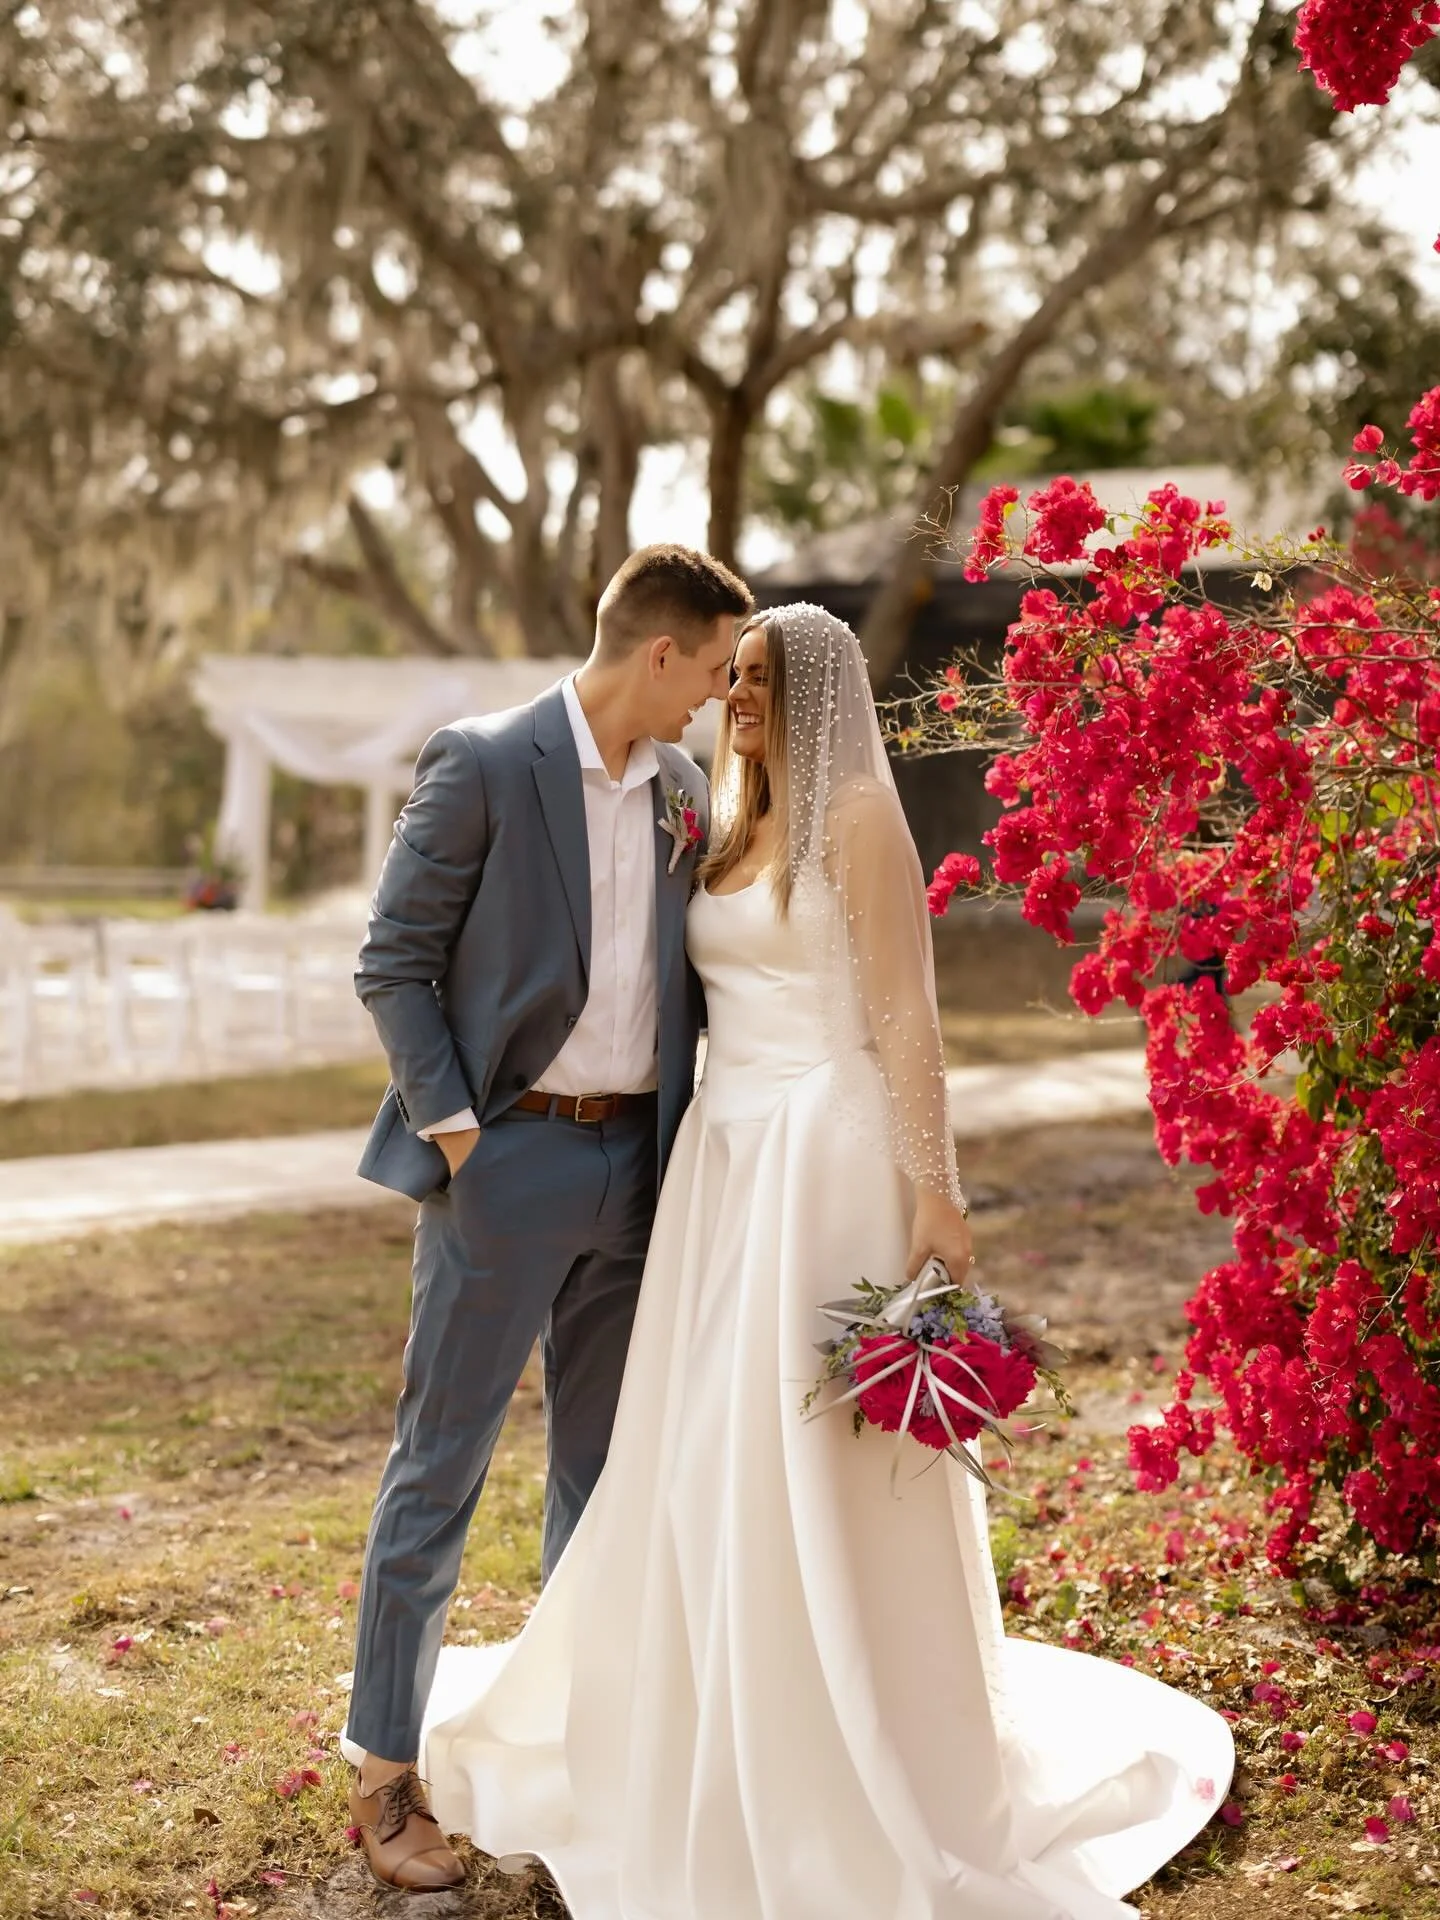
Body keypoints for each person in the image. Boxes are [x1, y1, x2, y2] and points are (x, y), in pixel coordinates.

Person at [406, 604, 1236, 1917]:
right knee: (704, 1442)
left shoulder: (854, 824)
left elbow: (908, 1022)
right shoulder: (725, 822)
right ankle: (715, 1702)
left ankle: (852, 1723)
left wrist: (937, 1202)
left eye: (758, 680)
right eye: (729, 676)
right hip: (721, 1165)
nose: (736, 699)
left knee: (822, 1450)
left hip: (827, 1159)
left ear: (817, 691)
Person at [340, 544, 753, 1890]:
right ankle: (387, 1774)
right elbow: (391, 960)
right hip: (504, 1163)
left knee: (602, 1477)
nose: (713, 699)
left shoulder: (684, 793)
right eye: (710, 670)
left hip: (638, 1171)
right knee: (440, 1465)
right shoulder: (481, 763)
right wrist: (460, 1134)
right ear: (659, 654)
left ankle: (580, 1755)